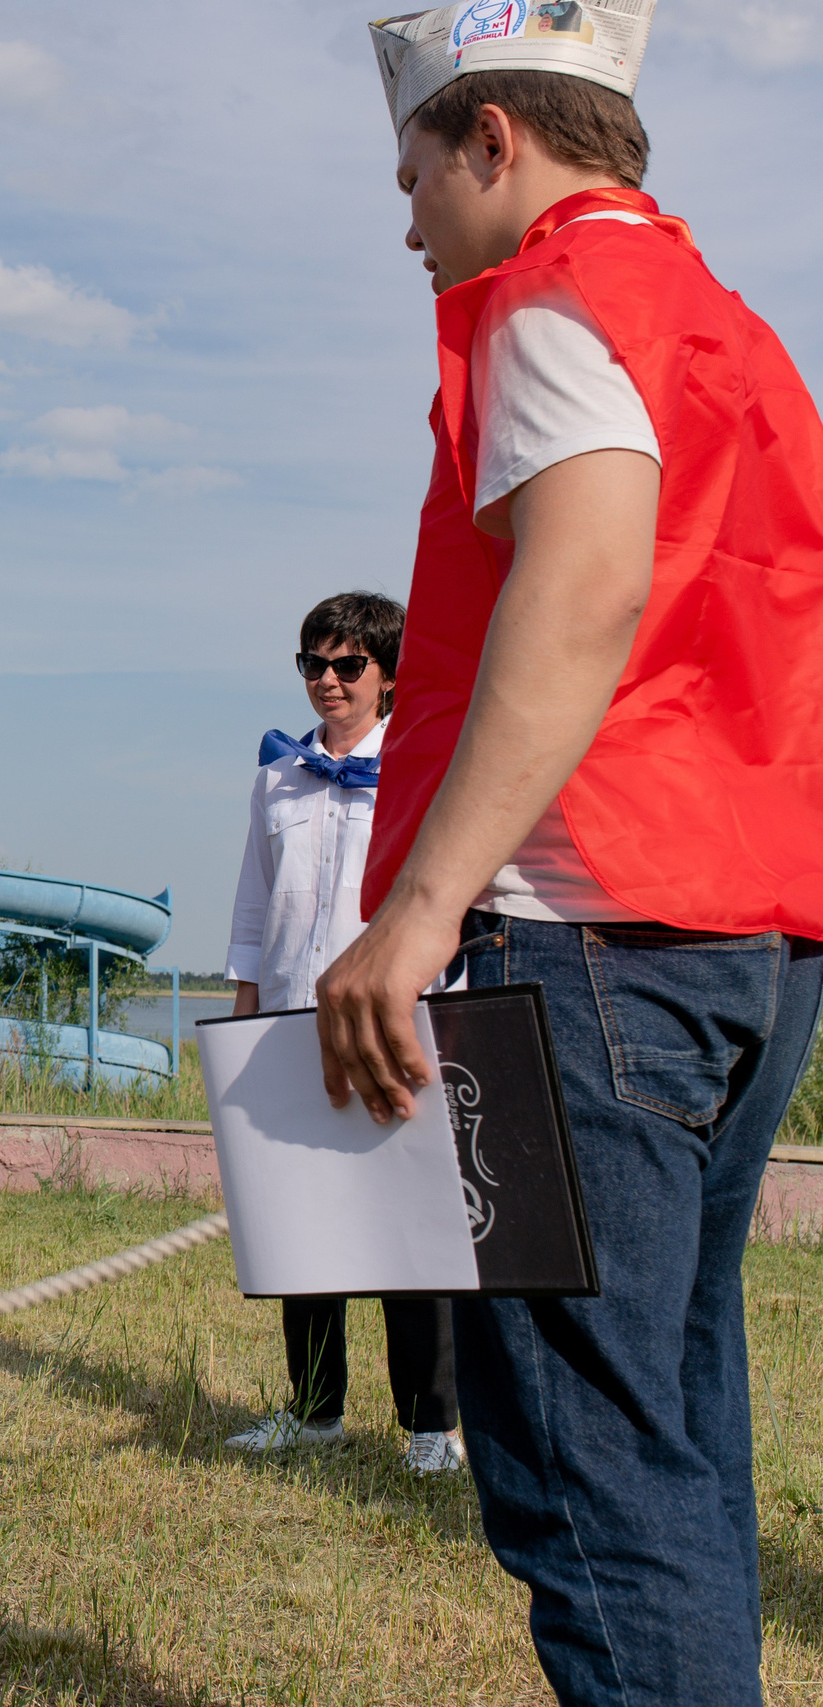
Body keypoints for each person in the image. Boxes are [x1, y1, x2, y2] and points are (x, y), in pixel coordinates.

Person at [320, 14, 823, 1701]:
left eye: (410, 175)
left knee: (588, 1480)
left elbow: (588, 579)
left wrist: (419, 907)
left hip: (585, 934)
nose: (407, 224)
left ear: (490, 144)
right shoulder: (735, 331)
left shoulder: (552, 297)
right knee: (673, 1437)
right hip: (746, 941)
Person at [221, 592, 463, 1475]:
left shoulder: (423, 769)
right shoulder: (275, 776)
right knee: (301, 1224)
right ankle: (313, 1409)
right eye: (313, 664)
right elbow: (254, 902)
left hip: (393, 1020)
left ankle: (430, 1425)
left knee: (406, 1227)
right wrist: (244, 1012)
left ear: (388, 675)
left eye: (346, 664)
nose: (327, 680)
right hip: (289, 1015)